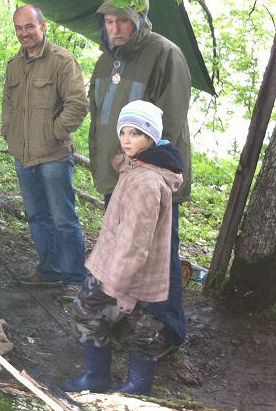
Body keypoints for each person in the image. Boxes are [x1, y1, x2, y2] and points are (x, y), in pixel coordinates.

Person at [88, 0, 191, 349]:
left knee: (159, 254)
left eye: (122, 22)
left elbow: (171, 121)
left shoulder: (165, 53)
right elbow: (98, 117)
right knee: (122, 251)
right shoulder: (107, 60)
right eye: (109, 21)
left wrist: (139, 168)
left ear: (140, 21)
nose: (114, 29)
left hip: (150, 180)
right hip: (114, 175)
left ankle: (168, 329)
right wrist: (104, 164)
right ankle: (129, 321)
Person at [65, 100, 184, 395]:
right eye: (123, 132)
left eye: (136, 133)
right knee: (107, 317)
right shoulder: (139, 166)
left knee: (129, 323)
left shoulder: (146, 182)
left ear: (152, 138)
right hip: (111, 264)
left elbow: (135, 242)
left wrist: (118, 285)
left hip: (123, 273)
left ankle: (131, 385)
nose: (127, 139)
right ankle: (101, 377)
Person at [2, 4, 89, 300]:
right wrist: (8, 131)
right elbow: (9, 104)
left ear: (43, 26)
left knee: (63, 217)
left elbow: (77, 104)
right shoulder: (14, 65)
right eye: (19, 28)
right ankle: (48, 270)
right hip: (23, 155)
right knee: (37, 215)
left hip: (53, 156)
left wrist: (55, 133)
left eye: (29, 27)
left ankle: (74, 278)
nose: (24, 33)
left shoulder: (62, 61)